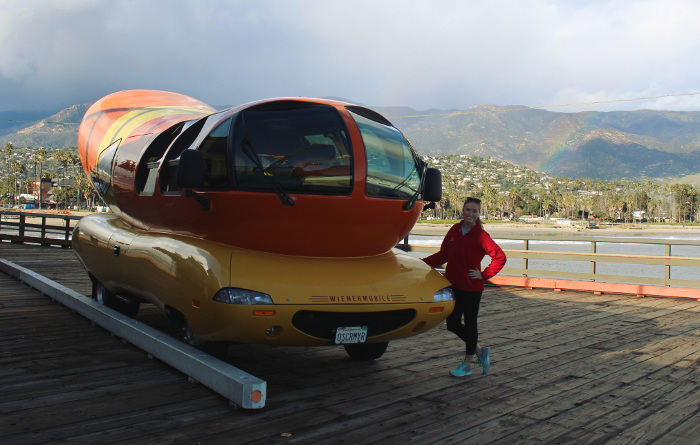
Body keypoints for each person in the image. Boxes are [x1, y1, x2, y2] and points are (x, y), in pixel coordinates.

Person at [423, 197, 506, 377]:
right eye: (468, 210)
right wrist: (421, 263)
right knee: (452, 324)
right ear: (462, 210)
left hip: (471, 288)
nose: (470, 214)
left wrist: (484, 275)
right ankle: (480, 352)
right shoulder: (454, 230)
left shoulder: (481, 236)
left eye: (474, 211)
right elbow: (443, 255)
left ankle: (467, 364)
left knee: (470, 325)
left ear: (478, 214)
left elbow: (500, 257)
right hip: (452, 286)